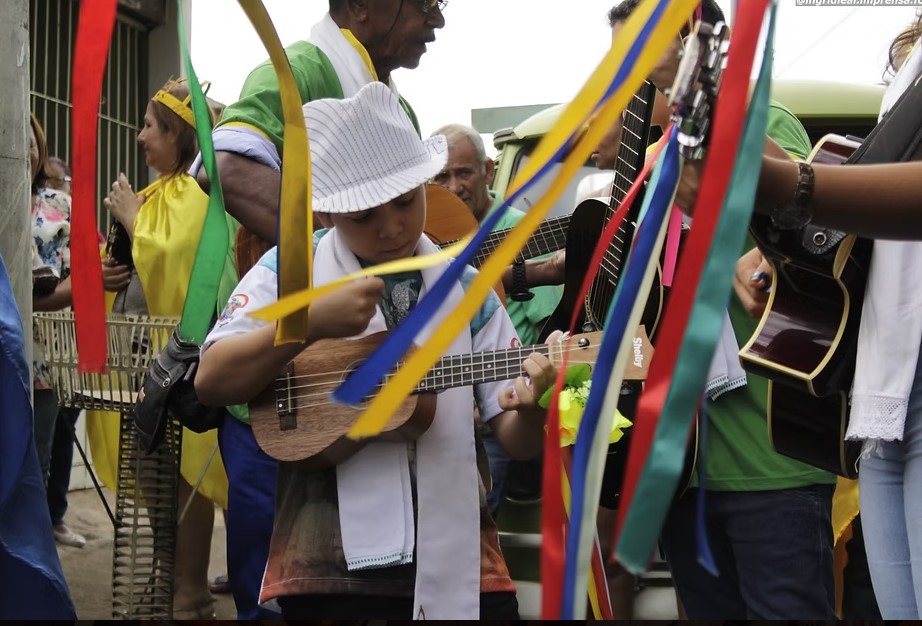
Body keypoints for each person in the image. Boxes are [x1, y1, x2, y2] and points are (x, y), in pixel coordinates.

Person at [195, 81, 556, 620]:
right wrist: (307, 324)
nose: (391, 229)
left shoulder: (468, 290)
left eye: (406, 202)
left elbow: (516, 441)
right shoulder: (289, 271)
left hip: (460, 557)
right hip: (323, 565)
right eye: (363, 215)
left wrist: (530, 409)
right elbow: (211, 380)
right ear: (327, 215)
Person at [194, 1, 446, 618]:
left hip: (390, 428)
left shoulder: (397, 108)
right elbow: (224, 165)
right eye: (425, 4)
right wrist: (332, 260)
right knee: (278, 598)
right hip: (285, 393)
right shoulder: (299, 69)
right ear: (361, 5)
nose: (437, 21)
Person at [603, 0, 840, 619]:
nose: (635, 72)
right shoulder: (649, 169)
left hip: (772, 462)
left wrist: (759, 253)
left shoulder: (765, 121)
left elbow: (811, 232)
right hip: (682, 468)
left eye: (649, 44)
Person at [717, 15, 922, 620]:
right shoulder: (910, 63)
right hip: (886, 390)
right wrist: (784, 248)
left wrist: (794, 189)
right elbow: (867, 203)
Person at [93, 77, 233, 621]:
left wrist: (133, 219)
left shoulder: (194, 195)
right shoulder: (158, 194)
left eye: (150, 126)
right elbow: (138, 265)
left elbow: (179, 261)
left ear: (177, 134)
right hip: (139, 362)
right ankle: (167, 571)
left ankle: (191, 586)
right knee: (153, 475)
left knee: (182, 476)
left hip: (178, 367)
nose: (140, 136)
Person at [429, 123, 563, 520]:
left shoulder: (522, 231)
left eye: (464, 173)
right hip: (434, 414)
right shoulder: (429, 233)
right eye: (441, 177)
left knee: (477, 523)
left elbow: (547, 328)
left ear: (488, 171)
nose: (453, 187)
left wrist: (503, 396)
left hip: (498, 410)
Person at [29, 115, 75, 515]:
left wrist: (27, 304)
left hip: (44, 357)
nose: (22, 150)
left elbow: (79, 282)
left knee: (37, 461)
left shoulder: (59, 205)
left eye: (30, 142)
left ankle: (36, 542)